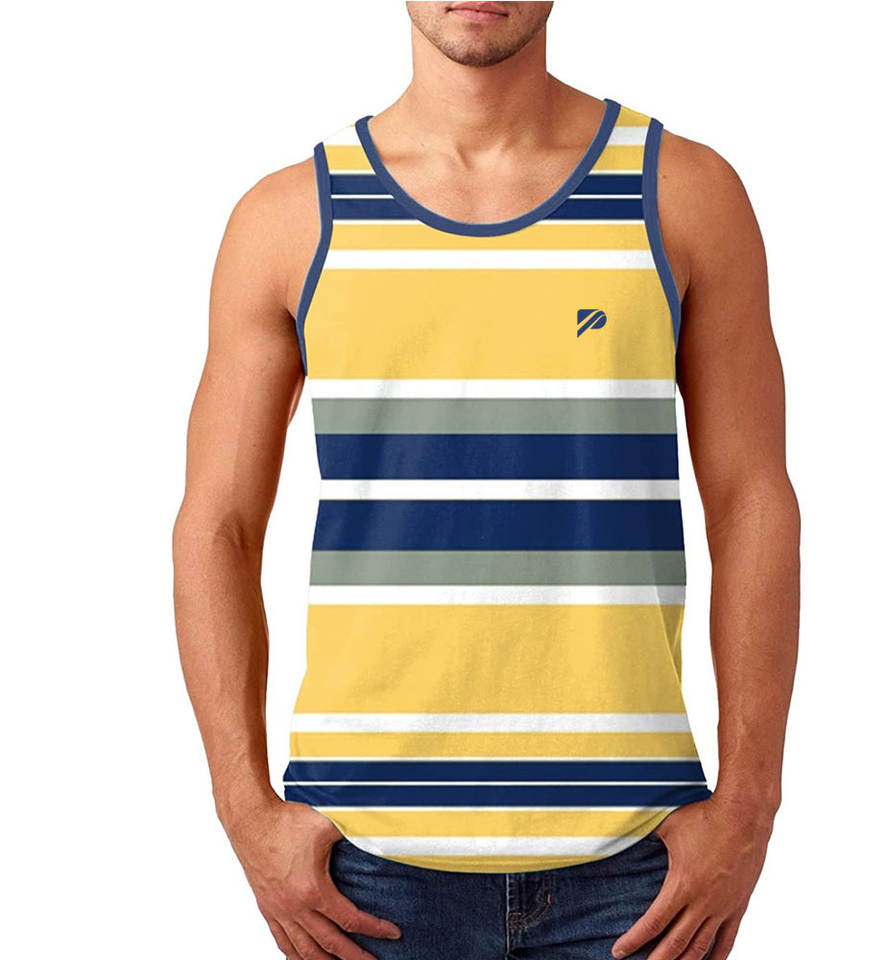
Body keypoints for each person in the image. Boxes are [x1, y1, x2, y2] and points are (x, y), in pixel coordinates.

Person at [173, 3, 800, 958]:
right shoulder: (290, 219)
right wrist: (243, 808)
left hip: (637, 868)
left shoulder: (683, 195)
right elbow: (215, 524)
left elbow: (753, 499)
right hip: (362, 868)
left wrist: (750, 807)